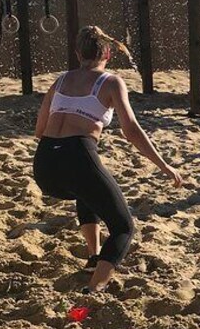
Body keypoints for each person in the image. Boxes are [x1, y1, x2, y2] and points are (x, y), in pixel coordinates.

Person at [33, 26, 183, 293]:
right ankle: (95, 289)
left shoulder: (61, 80)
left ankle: (94, 256)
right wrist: (164, 165)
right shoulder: (111, 82)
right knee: (123, 228)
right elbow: (132, 130)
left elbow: (39, 130)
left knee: (86, 190)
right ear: (108, 54)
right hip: (77, 155)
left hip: (43, 165)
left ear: (78, 53)